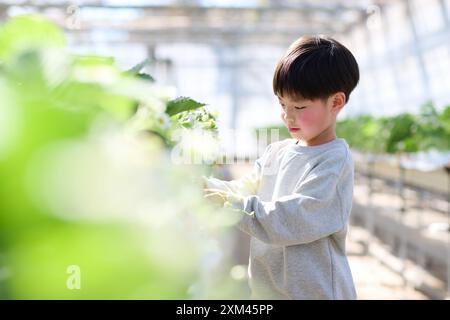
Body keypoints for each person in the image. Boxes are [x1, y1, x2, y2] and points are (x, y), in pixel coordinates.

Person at [203, 35, 360, 300]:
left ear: (336, 103)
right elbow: (244, 188)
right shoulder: (276, 152)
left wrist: (232, 206)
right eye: (282, 104)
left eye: (299, 106)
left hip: (315, 293)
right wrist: (207, 187)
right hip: (268, 290)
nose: (288, 115)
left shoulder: (334, 160)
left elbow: (295, 217)